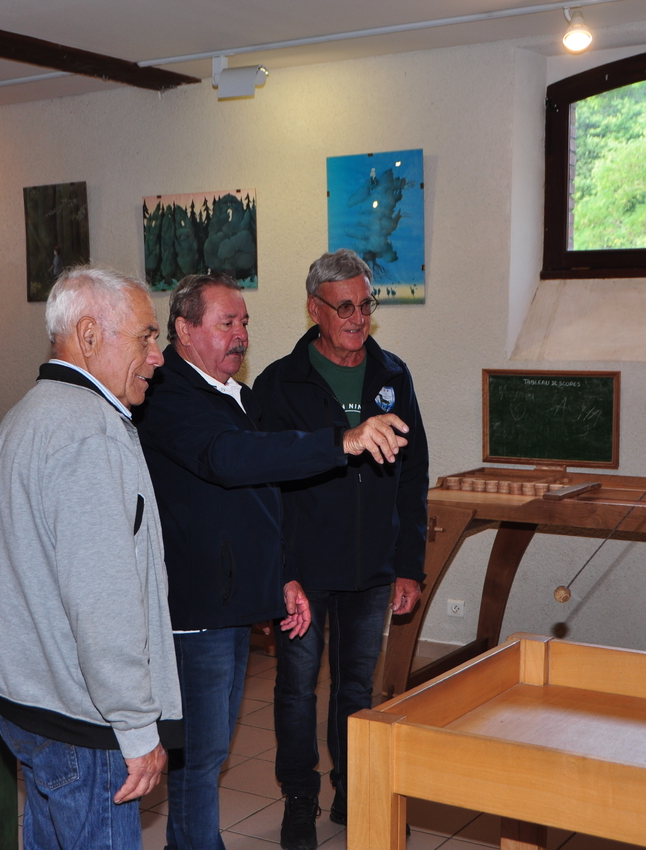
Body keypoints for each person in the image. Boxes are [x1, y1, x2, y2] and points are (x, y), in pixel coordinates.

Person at [135, 273, 409, 850]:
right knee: (198, 758)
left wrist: (279, 577)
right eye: (226, 323)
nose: (241, 335)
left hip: (231, 601)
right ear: (184, 329)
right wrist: (341, 441)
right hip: (195, 608)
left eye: (245, 322)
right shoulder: (167, 393)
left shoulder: (231, 393)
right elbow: (230, 458)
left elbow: (259, 501)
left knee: (208, 753)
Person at [0, 265, 183, 850]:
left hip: (27, 700)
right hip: (80, 717)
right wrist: (137, 727)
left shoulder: (27, 414)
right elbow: (102, 600)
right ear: (89, 336)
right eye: (146, 336)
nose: (157, 356)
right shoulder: (89, 432)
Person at [254, 249, 429, 850]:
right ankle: (299, 798)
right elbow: (261, 485)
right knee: (297, 688)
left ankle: (352, 790)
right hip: (304, 569)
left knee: (356, 689)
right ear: (315, 310)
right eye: (344, 307)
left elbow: (413, 476)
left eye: (365, 305)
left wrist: (409, 566)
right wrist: (276, 571)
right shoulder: (279, 383)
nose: (358, 318)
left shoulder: (393, 375)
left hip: (372, 568)